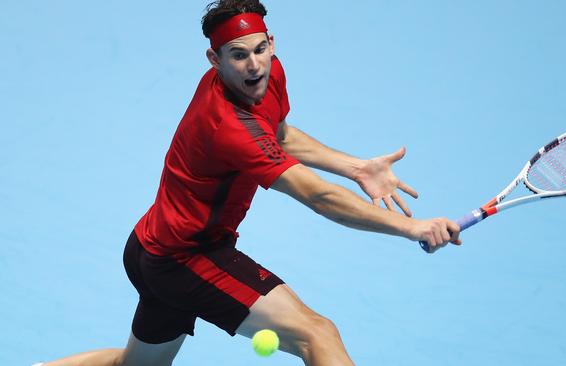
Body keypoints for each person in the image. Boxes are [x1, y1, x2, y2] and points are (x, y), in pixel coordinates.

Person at [38, 1, 461, 365]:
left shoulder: (263, 78)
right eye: (238, 55)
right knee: (318, 334)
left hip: (149, 244)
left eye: (260, 49)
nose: (254, 64)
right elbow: (318, 197)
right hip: (186, 258)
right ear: (214, 59)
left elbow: (277, 133)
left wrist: (355, 167)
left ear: (272, 43)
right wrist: (412, 227)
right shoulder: (228, 125)